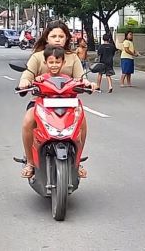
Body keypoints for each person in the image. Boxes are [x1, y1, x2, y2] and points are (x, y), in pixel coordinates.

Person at [18, 21, 92, 178]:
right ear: (46, 38)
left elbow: (81, 78)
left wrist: (87, 84)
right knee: (27, 122)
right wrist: (24, 82)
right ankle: (30, 162)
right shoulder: (38, 57)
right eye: (53, 36)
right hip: (41, 101)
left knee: (83, 124)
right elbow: (27, 74)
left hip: (69, 101)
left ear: (66, 38)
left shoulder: (73, 58)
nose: (57, 39)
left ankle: (77, 162)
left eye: (61, 36)